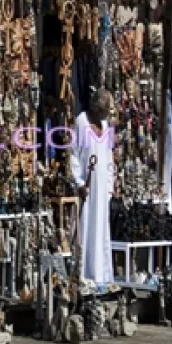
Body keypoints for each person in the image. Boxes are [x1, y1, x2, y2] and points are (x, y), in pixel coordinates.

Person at [70, 89, 115, 283]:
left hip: (102, 189)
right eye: (106, 109)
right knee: (86, 227)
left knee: (101, 229)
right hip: (87, 188)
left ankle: (101, 275)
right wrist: (79, 182)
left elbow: (109, 157)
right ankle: (83, 273)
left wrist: (110, 186)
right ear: (97, 108)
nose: (108, 113)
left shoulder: (105, 126)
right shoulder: (81, 122)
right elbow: (74, 154)